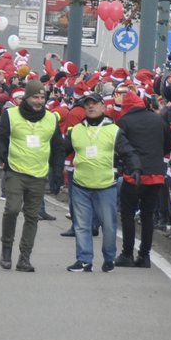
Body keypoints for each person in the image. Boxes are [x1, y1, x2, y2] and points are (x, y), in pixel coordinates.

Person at [0, 79, 63, 272]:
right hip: (16, 170)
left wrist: (57, 173)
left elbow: (58, 147)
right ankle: (6, 249)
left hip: (39, 174)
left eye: (42, 97)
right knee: (12, 209)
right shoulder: (11, 115)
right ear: (26, 97)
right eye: (35, 97)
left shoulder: (51, 118)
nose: (39, 101)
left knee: (32, 216)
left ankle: (24, 257)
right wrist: (3, 156)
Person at [65, 91, 138, 272]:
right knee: (81, 225)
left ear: (103, 107)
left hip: (105, 185)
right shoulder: (76, 131)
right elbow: (60, 150)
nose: (90, 106)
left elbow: (128, 152)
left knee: (109, 226)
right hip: (80, 184)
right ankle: (84, 260)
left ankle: (109, 258)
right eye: (87, 104)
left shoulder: (113, 130)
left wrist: (135, 168)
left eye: (94, 103)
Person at [114, 92, 171, 268]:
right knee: (148, 215)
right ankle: (144, 255)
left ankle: (127, 254)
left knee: (127, 215)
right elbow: (169, 144)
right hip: (155, 174)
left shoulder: (124, 122)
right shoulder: (158, 120)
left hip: (133, 174)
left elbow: (118, 146)